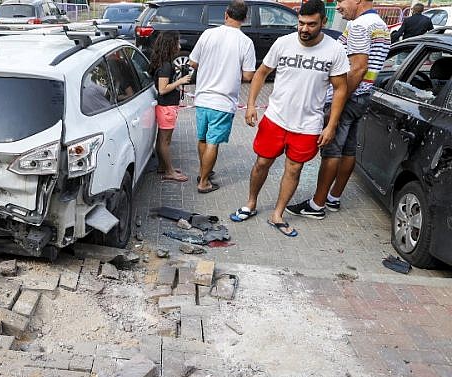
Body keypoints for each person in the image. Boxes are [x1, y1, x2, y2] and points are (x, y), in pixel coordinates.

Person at [230, 0, 349, 237]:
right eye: (301, 23)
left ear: (323, 22)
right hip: (275, 118)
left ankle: (277, 214)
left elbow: (340, 89)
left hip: (308, 125)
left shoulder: (334, 50)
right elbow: (262, 72)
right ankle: (251, 204)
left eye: (311, 24)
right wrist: (251, 105)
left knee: (294, 170)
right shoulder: (283, 43)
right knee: (262, 163)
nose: (304, 29)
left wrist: (331, 125)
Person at [286, 0, 390, 219]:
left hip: (349, 97)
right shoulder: (379, 24)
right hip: (363, 96)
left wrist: (337, 103)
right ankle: (333, 198)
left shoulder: (359, 25)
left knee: (332, 151)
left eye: (342, 1)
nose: (339, 6)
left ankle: (317, 205)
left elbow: (358, 67)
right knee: (348, 150)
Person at [188, 0, 255, 193]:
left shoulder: (208, 34)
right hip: (223, 101)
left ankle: (204, 172)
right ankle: (203, 182)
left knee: (202, 138)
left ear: (226, 14)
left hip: (202, 98)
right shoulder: (245, 42)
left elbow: (192, 62)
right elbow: (249, 75)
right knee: (213, 142)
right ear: (245, 19)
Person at [149, 31, 191, 182]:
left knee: (161, 139)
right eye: (177, 42)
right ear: (171, 45)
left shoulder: (163, 62)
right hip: (167, 107)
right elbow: (162, 89)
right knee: (165, 141)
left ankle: (162, 166)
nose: (180, 45)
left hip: (165, 107)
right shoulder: (166, 66)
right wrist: (180, 81)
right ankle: (169, 171)